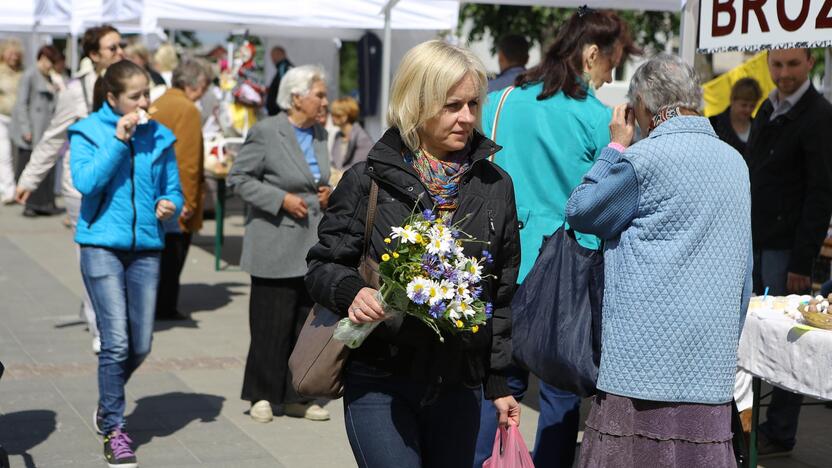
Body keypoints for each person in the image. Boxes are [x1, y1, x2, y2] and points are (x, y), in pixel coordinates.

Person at [306, 39, 521, 468]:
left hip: (457, 385)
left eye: (473, 104)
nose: (466, 118)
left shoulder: (495, 185)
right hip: (379, 380)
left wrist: (498, 381)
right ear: (417, 103)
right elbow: (323, 264)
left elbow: (502, 292)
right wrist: (352, 291)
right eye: (451, 105)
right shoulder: (368, 180)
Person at [565, 53, 752, 468]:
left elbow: (581, 210)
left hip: (638, 365)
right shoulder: (735, 163)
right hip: (708, 364)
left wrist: (614, 146)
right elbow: (745, 277)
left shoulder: (641, 159)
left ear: (643, 107)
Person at [476, 8, 638, 467]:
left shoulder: (501, 99)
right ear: (591, 55)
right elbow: (605, 205)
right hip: (565, 271)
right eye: (611, 64)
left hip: (498, 259)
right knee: (560, 395)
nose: (610, 78)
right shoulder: (597, 118)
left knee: (494, 386)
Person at [70, 59, 182, 468]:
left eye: (146, 93)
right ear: (112, 98)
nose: (143, 102)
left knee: (141, 343)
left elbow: (174, 189)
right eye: (135, 95)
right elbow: (85, 183)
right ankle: (114, 429)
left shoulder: (160, 135)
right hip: (101, 245)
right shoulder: (87, 131)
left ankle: (107, 401)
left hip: (147, 248)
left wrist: (171, 204)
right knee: (115, 341)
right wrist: (118, 141)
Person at [228, 65, 332, 424]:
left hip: (310, 243)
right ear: (296, 97)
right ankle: (261, 394)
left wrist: (327, 192)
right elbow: (238, 178)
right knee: (270, 323)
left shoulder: (319, 133)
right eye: (319, 94)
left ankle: (295, 396)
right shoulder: (266, 131)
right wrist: (279, 198)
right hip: (274, 242)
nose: (325, 100)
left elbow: (318, 176)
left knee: (305, 324)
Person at [15, 25, 125, 354]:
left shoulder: (129, 85)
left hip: (119, 190)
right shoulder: (77, 91)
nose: (120, 52)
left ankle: (106, 316)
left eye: (122, 45)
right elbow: (53, 138)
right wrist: (30, 180)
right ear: (94, 55)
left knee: (116, 261)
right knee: (92, 261)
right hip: (82, 191)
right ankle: (99, 327)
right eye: (112, 48)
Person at [746, 48, 832, 458]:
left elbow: (821, 194)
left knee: (787, 342)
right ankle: (751, 423)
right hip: (758, 240)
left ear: (810, 64)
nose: (784, 73)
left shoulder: (819, 114)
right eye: (777, 64)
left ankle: (780, 431)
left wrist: (803, 261)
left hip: (787, 250)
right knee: (757, 336)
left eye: (792, 64)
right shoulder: (768, 107)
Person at [152, 60, 211, 321]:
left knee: (161, 254)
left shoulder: (162, 101)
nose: (205, 92)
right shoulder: (186, 109)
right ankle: (165, 306)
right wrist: (187, 201)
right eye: (204, 86)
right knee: (173, 256)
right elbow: (186, 161)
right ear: (193, 84)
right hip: (176, 195)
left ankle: (158, 304)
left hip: (157, 190)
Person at [11, 45, 65, 217]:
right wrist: (25, 128)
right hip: (32, 130)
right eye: (47, 60)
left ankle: (46, 203)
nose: (49, 65)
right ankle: (30, 204)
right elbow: (21, 103)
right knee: (31, 167)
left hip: (45, 128)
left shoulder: (51, 78)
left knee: (47, 166)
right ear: (40, 58)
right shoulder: (30, 75)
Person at [709, 77, 762, 155]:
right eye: (744, 105)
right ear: (732, 100)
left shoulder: (758, 128)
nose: (748, 110)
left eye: (752, 106)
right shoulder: (714, 124)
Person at [0, 38, 23, 204]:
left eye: (16, 54)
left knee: (18, 155)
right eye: (10, 54)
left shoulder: (23, 72)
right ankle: (8, 189)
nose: (14, 57)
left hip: (19, 119)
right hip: (2, 117)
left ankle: (19, 187)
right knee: (4, 154)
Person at [329, 96, 373, 175]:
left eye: (335, 114)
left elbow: (358, 166)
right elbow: (335, 163)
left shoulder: (362, 137)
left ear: (345, 117)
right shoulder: (338, 136)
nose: (331, 117)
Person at [266, 46, 293, 116]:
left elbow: (285, 87)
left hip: (280, 112)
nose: (273, 59)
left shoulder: (283, 67)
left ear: (281, 54)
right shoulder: (284, 67)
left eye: (274, 55)